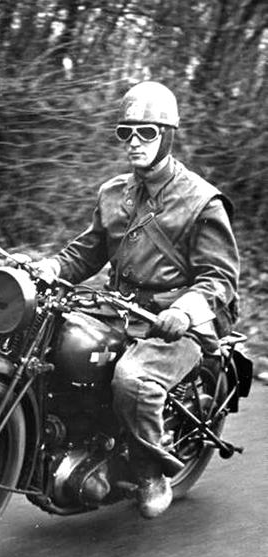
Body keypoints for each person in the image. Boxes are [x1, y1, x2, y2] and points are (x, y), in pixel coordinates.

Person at [34, 81, 240, 518]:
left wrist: (184, 310)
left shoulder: (201, 201)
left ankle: (151, 472)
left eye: (146, 132)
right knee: (54, 341)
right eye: (124, 132)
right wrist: (51, 267)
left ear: (167, 135)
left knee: (132, 378)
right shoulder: (114, 193)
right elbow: (87, 252)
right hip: (120, 308)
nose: (133, 142)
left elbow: (220, 278)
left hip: (178, 322)